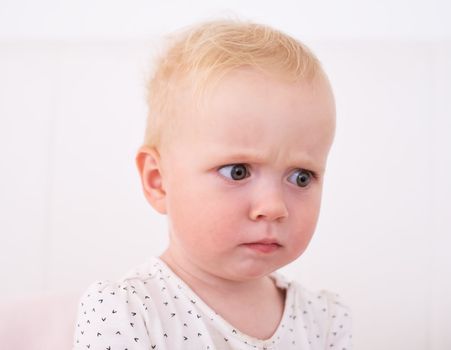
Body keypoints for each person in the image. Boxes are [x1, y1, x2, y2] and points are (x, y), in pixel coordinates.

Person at [73, 18, 352, 349]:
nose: (273, 207)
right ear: (158, 181)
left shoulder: (324, 319)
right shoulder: (127, 311)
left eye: (301, 177)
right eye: (237, 171)